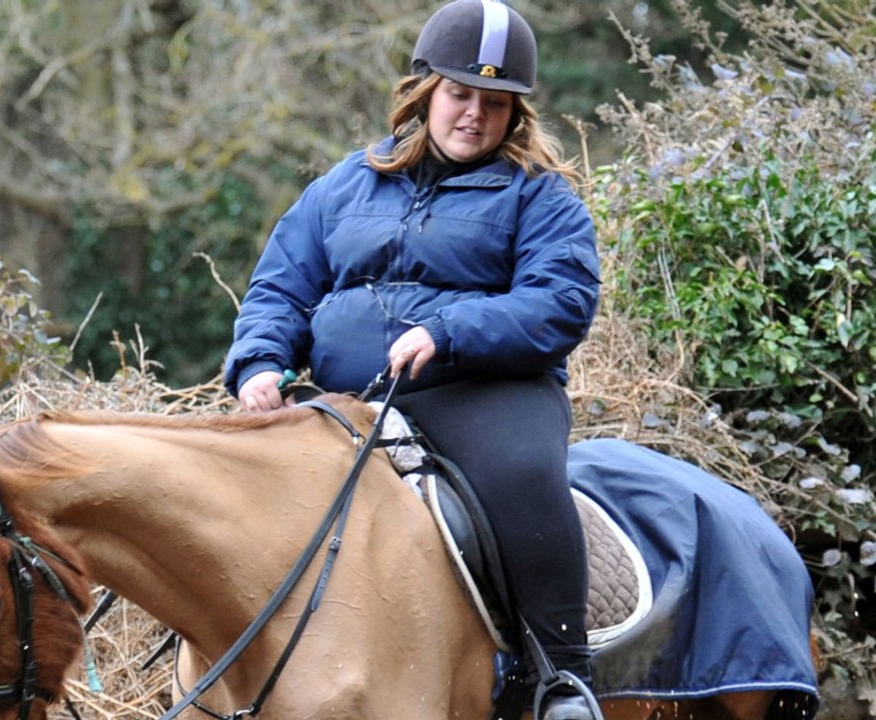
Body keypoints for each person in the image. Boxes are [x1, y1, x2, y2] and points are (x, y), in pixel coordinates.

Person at [224, 1, 600, 718]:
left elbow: (558, 303)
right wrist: (260, 364)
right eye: (460, 94)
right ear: (424, 90)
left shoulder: (541, 197)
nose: (474, 115)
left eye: (495, 103)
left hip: (486, 394)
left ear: (514, 113)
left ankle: (560, 676)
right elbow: (279, 286)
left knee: (523, 474)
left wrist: (450, 329)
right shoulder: (343, 185)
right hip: (346, 395)